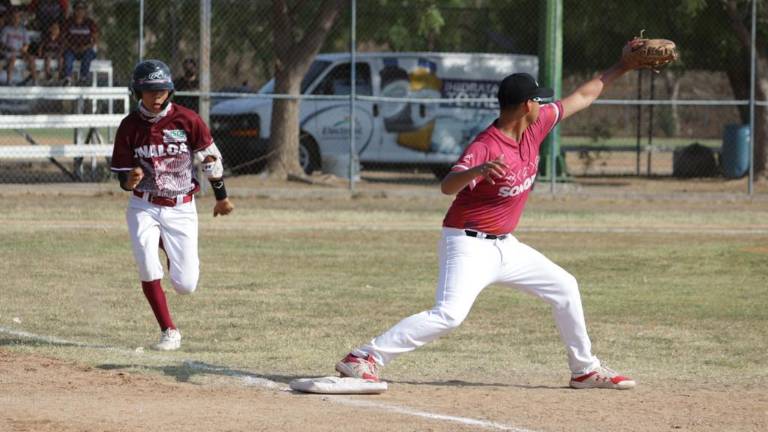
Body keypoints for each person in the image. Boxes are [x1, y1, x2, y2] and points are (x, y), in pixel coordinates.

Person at [335, 44, 643, 390]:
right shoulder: (486, 146)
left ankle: (584, 370)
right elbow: (448, 186)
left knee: (565, 287)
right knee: (449, 315)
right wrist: (477, 170)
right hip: (467, 243)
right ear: (525, 106)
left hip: (506, 247)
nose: (542, 105)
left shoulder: (537, 125)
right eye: (537, 100)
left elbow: (583, 96)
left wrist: (622, 66)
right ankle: (364, 357)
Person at [110, 59, 235, 351]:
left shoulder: (187, 119)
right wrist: (130, 180)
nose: (156, 96)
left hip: (181, 207)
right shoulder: (129, 126)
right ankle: (169, 331)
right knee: (147, 264)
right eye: (149, 91)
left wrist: (221, 197)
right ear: (137, 92)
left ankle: (165, 242)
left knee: (185, 285)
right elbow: (123, 178)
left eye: (162, 90)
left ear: (170, 91)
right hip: (144, 205)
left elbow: (210, 160)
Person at [61, 0, 97, 86]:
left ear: (85, 11)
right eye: (78, 9)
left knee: (88, 56)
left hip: (86, 48)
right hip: (72, 48)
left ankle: (83, 78)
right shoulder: (69, 22)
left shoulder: (90, 22)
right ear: (74, 10)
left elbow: (95, 39)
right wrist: (71, 46)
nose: (80, 11)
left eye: (82, 9)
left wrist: (86, 47)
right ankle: (68, 79)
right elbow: (63, 38)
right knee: (68, 57)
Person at [0, 7, 36, 85]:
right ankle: (9, 81)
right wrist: (9, 48)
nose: (15, 19)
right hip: (9, 51)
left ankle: (34, 81)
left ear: (20, 19)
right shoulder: (6, 29)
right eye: (14, 17)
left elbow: (27, 43)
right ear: (10, 18)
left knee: (31, 58)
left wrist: (24, 49)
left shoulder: (23, 30)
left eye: (17, 17)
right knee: (12, 59)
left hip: (20, 51)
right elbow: (2, 44)